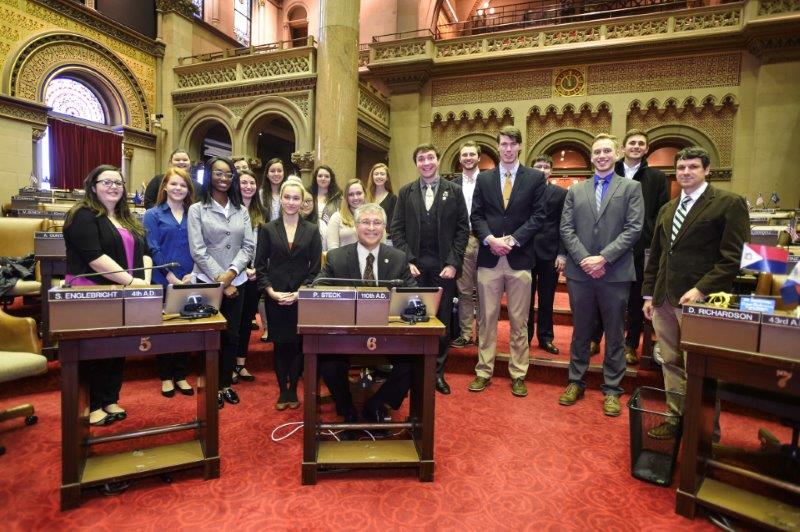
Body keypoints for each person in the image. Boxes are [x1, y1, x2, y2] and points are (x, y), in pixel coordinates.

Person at [642, 146, 749, 439]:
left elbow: (734, 258)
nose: (686, 172)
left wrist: (702, 289)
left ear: (706, 170)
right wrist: (650, 295)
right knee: (670, 362)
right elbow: (658, 256)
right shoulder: (668, 208)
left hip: (701, 302)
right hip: (665, 299)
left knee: (701, 368)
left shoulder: (728, 203)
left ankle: (703, 433)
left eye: (692, 167)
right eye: (681, 168)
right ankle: (675, 418)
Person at [558, 134, 644, 417]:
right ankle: (575, 381)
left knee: (615, 334)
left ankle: (612, 389)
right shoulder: (575, 190)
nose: (602, 155)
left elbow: (633, 229)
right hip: (580, 273)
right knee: (581, 331)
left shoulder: (631, 188)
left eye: (607, 150)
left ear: (617, 154)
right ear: (591, 156)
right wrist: (584, 259)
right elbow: (566, 228)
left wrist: (603, 257)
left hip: (615, 272)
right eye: (597, 152)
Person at [64, 165, 152, 426]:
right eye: (107, 182)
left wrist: (144, 280)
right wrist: (132, 281)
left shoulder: (127, 218)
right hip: (92, 291)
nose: (114, 187)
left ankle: (110, 398)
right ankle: (91, 405)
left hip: (125, 289)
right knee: (96, 350)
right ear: (93, 186)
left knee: (117, 347)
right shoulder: (83, 215)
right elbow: (94, 258)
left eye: (118, 182)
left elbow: (145, 252)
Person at [316, 203, 416, 421]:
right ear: (355, 225)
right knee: (328, 361)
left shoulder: (398, 257)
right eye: (366, 222)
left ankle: (377, 404)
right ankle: (347, 410)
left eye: (377, 222)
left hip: (389, 334)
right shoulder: (336, 257)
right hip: (346, 334)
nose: (372, 228)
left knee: (417, 359)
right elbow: (318, 289)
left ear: (384, 227)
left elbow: (413, 296)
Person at [468, 126, 546, 398]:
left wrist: (511, 240)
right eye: (503, 144)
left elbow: (538, 217)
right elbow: (476, 216)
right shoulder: (485, 179)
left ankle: (518, 373)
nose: (508, 148)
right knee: (487, 319)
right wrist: (490, 239)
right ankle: (483, 371)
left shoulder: (535, 178)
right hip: (490, 258)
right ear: (498, 146)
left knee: (519, 320)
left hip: (520, 259)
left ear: (520, 146)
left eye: (513, 144)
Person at [391, 144, 468, 395]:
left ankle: (436, 373)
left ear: (438, 160)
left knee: (441, 321)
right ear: (416, 163)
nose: (426, 162)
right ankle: (412, 373)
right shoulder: (405, 192)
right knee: (411, 320)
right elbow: (397, 230)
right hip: (413, 269)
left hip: (443, 269)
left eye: (430, 158)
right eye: (421, 158)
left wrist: (453, 263)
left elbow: (462, 230)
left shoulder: (454, 192)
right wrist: (407, 261)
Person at [590, 129, 670, 364]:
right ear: (622, 149)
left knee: (636, 298)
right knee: (602, 295)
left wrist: (646, 234)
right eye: (631, 143)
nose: (636, 146)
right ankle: (595, 337)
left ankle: (630, 344)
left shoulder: (657, 178)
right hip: (607, 248)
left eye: (641, 144)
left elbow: (661, 213)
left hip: (640, 248)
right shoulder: (608, 171)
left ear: (646, 149)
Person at [188, 156, 255, 409]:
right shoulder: (197, 209)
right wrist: (221, 281)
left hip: (237, 281)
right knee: (209, 336)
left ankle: (225, 383)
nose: (224, 179)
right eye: (219, 173)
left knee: (232, 335)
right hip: (207, 281)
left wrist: (231, 274)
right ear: (209, 175)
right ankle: (211, 386)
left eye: (229, 175)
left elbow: (248, 246)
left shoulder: (241, 209)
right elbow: (197, 250)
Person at [256, 180, 321, 410]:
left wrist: (300, 292)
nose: (292, 202)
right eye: (287, 197)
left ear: (302, 201)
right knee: (280, 345)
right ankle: (282, 390)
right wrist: (271, 292)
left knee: (297, 345)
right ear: (281, 199)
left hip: (301, 298)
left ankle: (293, 388)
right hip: (276, 297)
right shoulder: (267, 229)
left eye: (296, 198)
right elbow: (260, 266)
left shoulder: (312, 230)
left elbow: (316, 269)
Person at [143, 167, 195, 398]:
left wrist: (193, 272)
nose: (178, 188)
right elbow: (152, 247)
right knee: (165, 329)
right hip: (163, 279)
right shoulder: (152, 215)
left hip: (190, 278)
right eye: (174, 184)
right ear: (165, 186)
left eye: (183, 185)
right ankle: (165, 376)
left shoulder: (194, 213)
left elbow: (199, 246)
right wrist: (170, 276)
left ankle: (181, 375)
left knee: (186, 327)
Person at [526, 155, 567, 354]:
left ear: (551, 170)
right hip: (525, 253)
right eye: (538, 166)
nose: (542, 170)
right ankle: (524, 337)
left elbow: (564, 226)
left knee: (547, 298)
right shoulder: (524, 192)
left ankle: (545, 337)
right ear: (532, 168)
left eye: (546, 167)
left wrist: (562, 254)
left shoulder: (560, 193)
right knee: (524, 299)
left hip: (550, 254)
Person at [233, 169, 266, 384]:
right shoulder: (231, 209)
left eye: (252, 182)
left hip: (254, 275)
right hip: (234, 274)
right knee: (232, 323)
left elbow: (265, 246)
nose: (248, 186)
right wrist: (241, 269)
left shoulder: (260, 213)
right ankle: (227, 365)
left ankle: (241, 364)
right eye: (243, 182)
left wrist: (257, 269)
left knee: (246, 322)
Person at [451, 141, 481, 349]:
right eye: (464, 155)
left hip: (486, 241)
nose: (468, 157)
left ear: (478, 157)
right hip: (462, 240)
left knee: (486, 291)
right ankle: (466, 333)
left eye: (472, 154)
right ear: (460, 159)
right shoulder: (453, 185)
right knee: (464, 291)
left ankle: (485, 335)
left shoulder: (489, 181)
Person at [326, 178, 366, 250]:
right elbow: (332, 250)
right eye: (351, 194)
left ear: (364, 194)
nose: (355, 198)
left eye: (359, 193)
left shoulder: (372, 217)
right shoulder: (336, 217)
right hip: (344, 260)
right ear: (346, 197)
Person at [309, 165, 342, 249]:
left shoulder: (338, 197)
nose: (323, 178)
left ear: (331, 179)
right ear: (315, 178)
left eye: (326, 176)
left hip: (331, 235)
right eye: (320, 176)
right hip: (310, 233)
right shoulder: (308, 195)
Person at [366, 163, 397, 228]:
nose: (379, 176)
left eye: (382, 174)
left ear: (387, 178)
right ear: (372, 177)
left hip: (385, 236)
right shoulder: (365, 196)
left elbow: (392, 223)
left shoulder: (393, 199)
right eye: (376, 174)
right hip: (366, 235)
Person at [261, 157, 286, 223]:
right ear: (267, 174)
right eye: (272, 171)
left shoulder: (289, 194)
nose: (276, 174)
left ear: (284, 174)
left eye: (279, 171)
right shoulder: (260, 194)